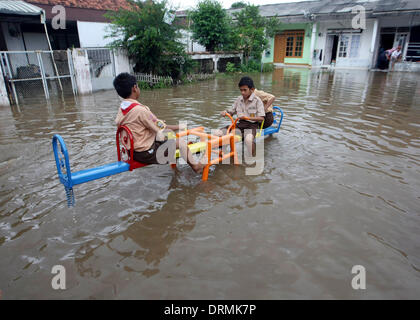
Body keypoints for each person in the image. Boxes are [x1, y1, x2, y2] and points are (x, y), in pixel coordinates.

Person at [113, 73, 204, 173]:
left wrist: (155, 122)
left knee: (167, 136)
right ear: (135, 88)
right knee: (180, 142)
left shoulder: (122, 109)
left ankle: (180, 156)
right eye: (138, 86)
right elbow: (162, 128)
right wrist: (180, 126)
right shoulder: (140, 110)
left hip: (131, 152)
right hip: (146, 153)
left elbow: (139, 124)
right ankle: (196, 166)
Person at [219, 76, 265, 156]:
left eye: (245, 90)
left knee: (248, 140)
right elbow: (231, 111)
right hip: (239, 125)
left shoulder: (257, 101)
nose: (242, 92)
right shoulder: (238, 99)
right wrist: (225, 112)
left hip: (252, 126)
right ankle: (223, 154)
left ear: (252, 89)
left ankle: (252, 157)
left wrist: (247, 118)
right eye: (241, 90)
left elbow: (261, 118)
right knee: (219, 133)